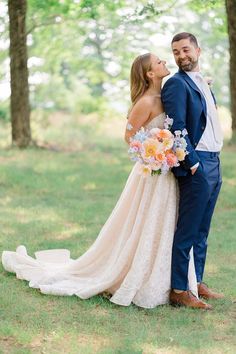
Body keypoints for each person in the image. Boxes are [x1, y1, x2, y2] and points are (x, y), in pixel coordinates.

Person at [2, 53, 198, 308]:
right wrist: (154, 152)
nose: (164, 63)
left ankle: (166, 280)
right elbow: (129, 137)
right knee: (143, 223)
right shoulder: (146, 101)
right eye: (159, 62)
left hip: (166, 174)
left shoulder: (166, 98)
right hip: (151, 173)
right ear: (150, 74)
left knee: (165, 224)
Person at [162, 32, 224, 310]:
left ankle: (196, 281)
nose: (181, 56)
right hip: (197, 165)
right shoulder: (175, 84)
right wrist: (194, 163)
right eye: (176, 52)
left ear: (198, 50)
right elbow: (177, 128)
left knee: (202, 230)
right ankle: (178, 290)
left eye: (185, 49)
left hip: (215, 161)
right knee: (187, 230)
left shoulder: (202, 83)